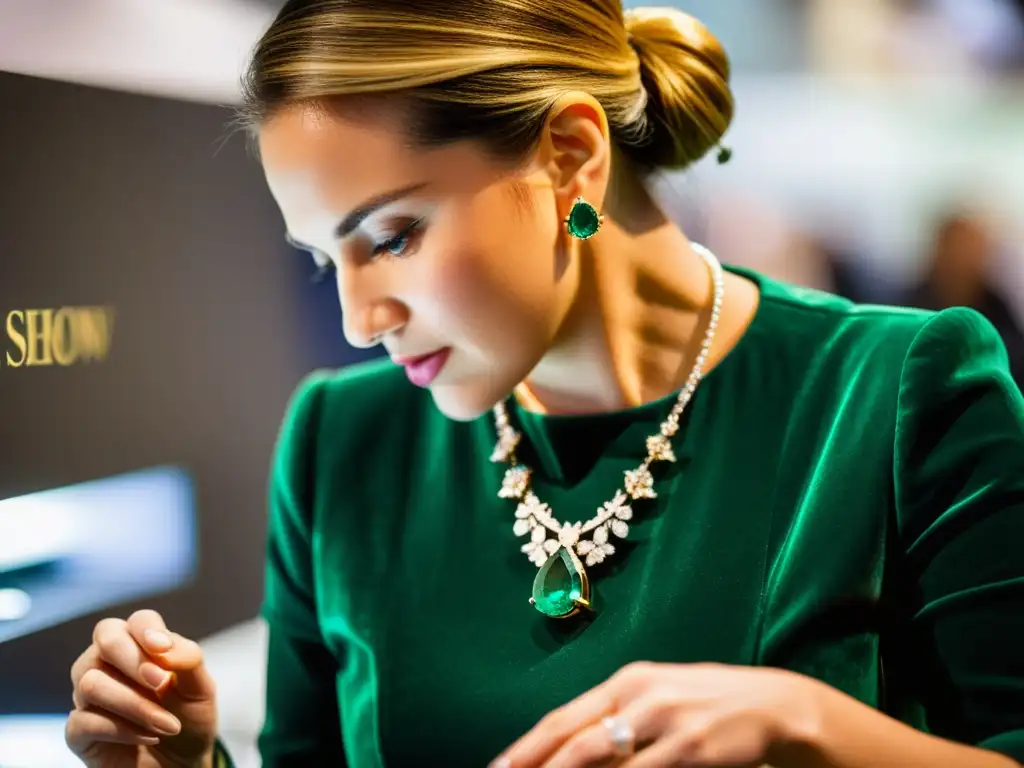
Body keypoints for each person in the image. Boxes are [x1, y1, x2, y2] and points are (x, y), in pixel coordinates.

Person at [65, 1, 1024, 766]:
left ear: (570, 156)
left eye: (392, 236)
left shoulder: (898, 389)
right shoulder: (340, 444)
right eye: (326, 260)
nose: (361, 320)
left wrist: (814, 731)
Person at [904, 210, 1024, 389]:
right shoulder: (911, 308)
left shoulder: (996, 304)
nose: (964, 258)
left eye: (972, 248)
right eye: (958, 247)